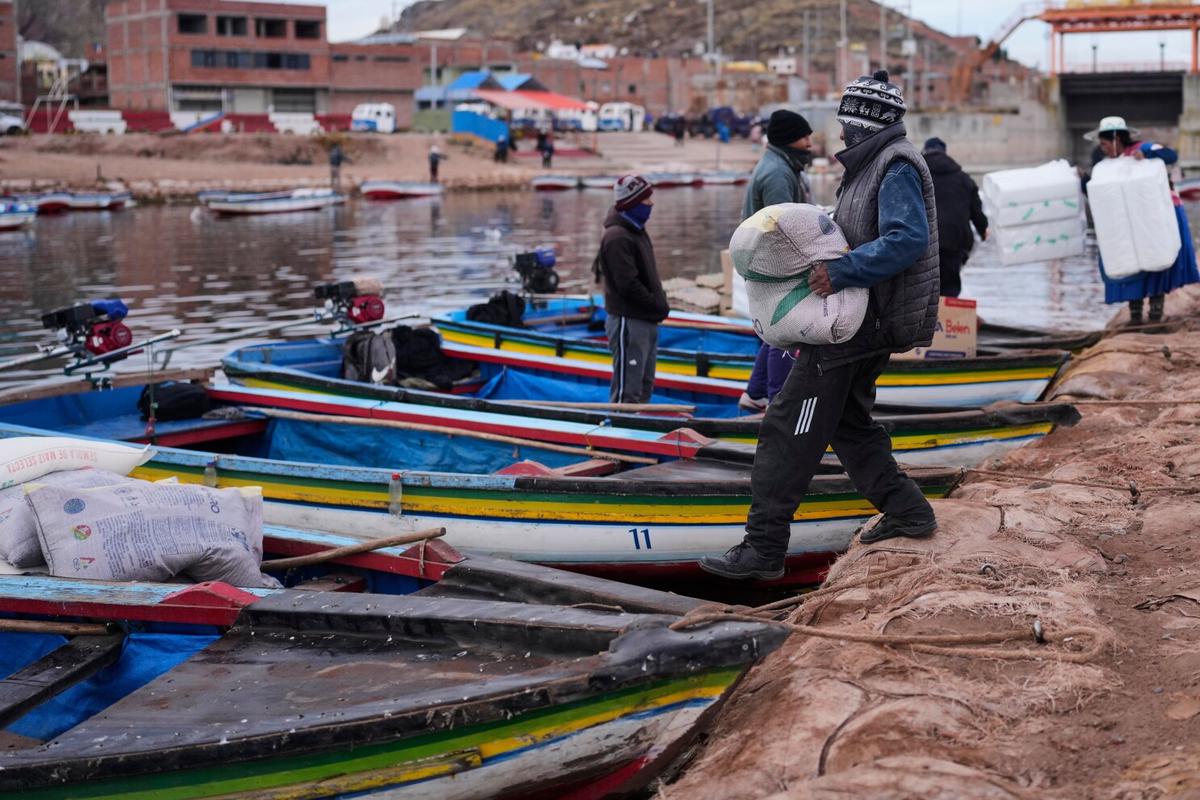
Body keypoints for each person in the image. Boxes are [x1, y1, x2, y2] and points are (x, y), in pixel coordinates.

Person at [700, 70, 940, 580]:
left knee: (787, 429)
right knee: (850, 426)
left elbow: (905, 239)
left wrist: (839, 270)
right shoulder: (873, 165)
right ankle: (907, 511)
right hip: (861, 318)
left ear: (862, 123)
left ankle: (764, 549)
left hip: (855, 324)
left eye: (846, 122)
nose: (840, 132)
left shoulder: (893, 165)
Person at [1085, 115, 1198, 325]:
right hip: (1127, 219)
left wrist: (1144, 154)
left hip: (1159, 214)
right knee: (1130, 263)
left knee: (1157, 258)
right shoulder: (1105, 164)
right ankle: (1135, 312)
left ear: (1117, 138)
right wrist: (1083, 180)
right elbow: (1096, 192)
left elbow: (1170, 154)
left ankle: (1156, 311)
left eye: (1105, 144)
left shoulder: (1144, 148)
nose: (1103, 149)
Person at [739, 109, 815, 412]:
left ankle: (755, 394)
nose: (810, 143)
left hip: (764, 264)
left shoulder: (784, 166)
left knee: (772, 329)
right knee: (783, 331)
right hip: (774, 266)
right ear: (788, 140)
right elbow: (783, 228)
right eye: (804, 136)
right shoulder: (777, 175)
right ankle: (776, 403)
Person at [592, 174, 668, 404]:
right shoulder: (618, 237)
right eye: (646, 200)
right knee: (628, 389)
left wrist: (658, 304)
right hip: (630, 320)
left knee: (644, 385)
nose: (651, 204)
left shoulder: (636, 230)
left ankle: (638, 429)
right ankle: (620, 432)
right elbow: (628, 285)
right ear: (632, 202)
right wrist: (656, 304)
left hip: (646, 320)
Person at [921, 137, 988, 298]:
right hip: (955, 242)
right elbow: (976, 211)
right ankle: (949, 319)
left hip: (924, 242)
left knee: (923, 289)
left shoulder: (916, 174)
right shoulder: (964, 179)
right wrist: (983, 229)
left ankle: (927, 321)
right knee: (950, 288)